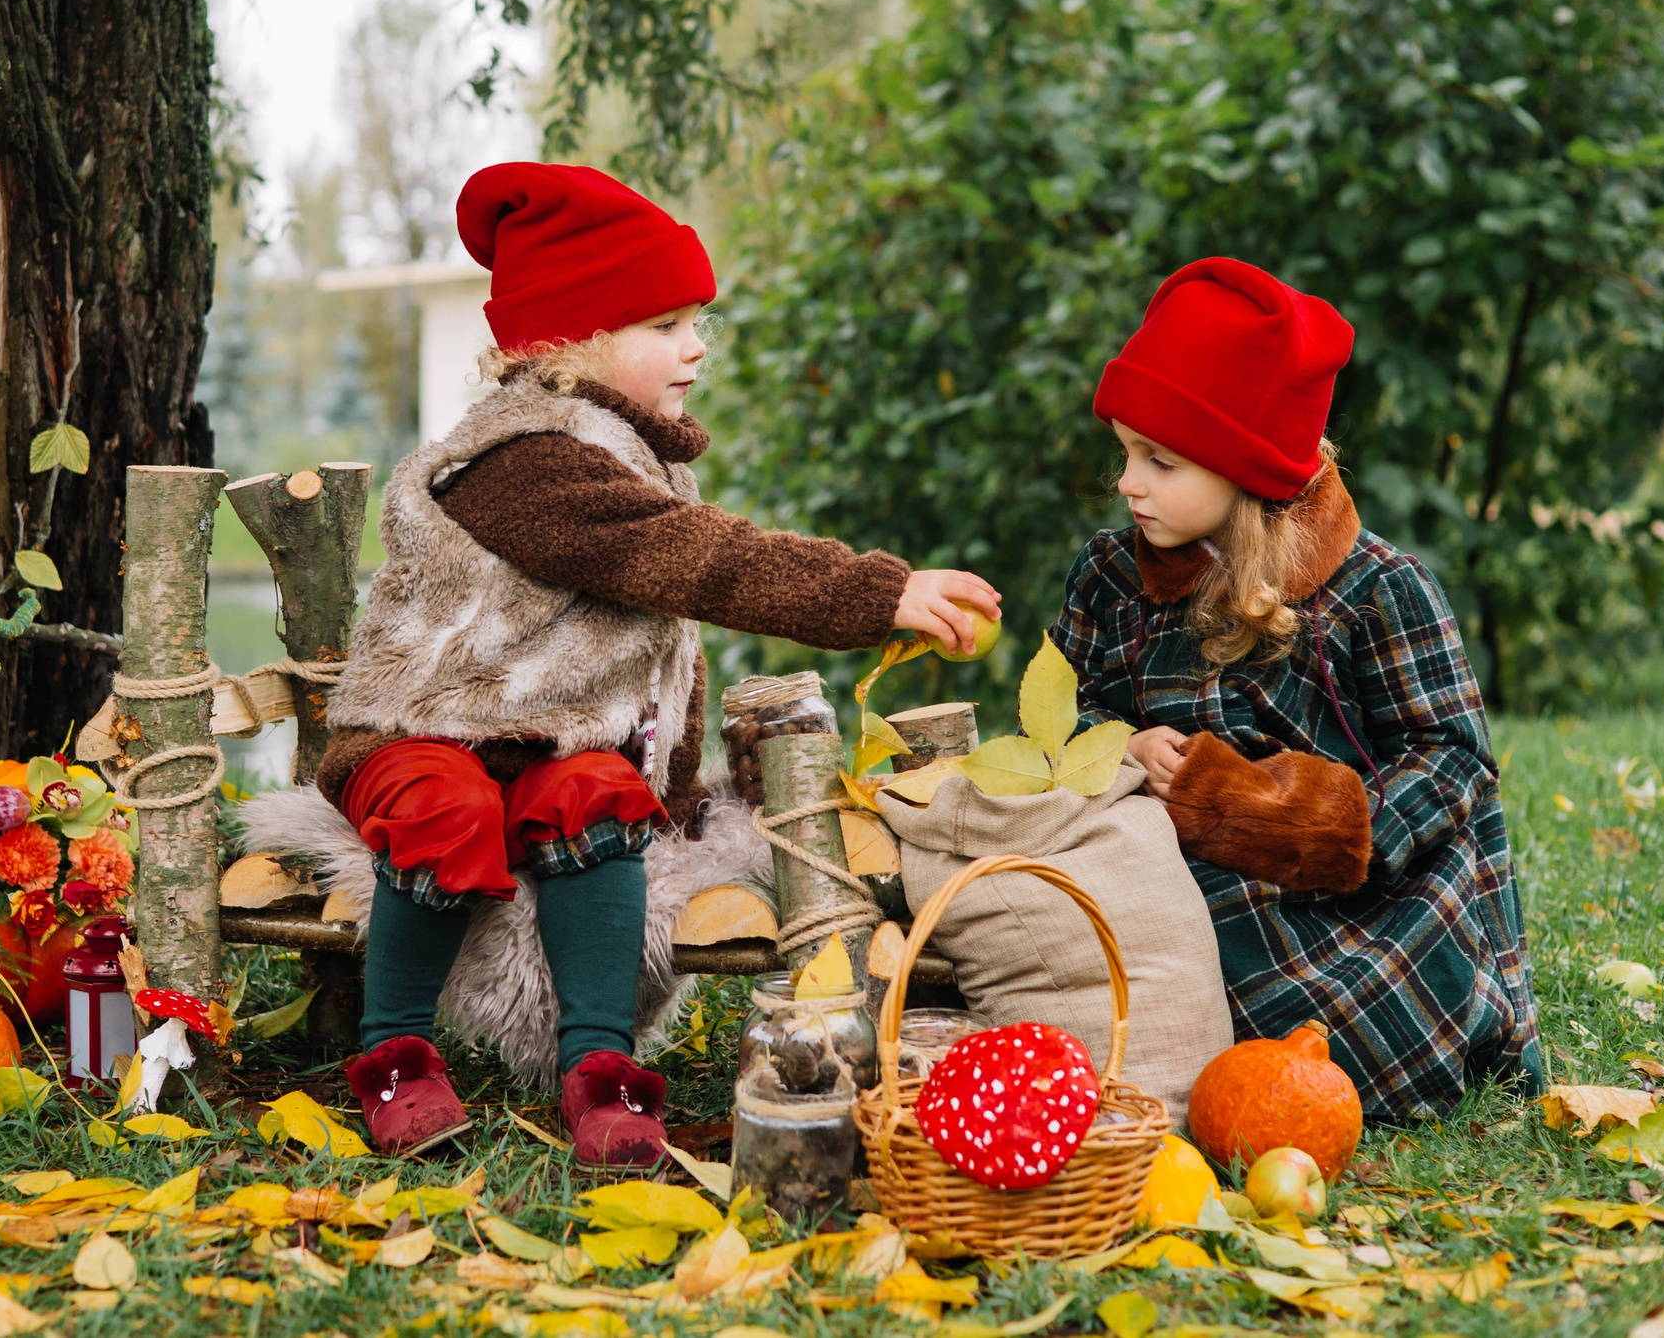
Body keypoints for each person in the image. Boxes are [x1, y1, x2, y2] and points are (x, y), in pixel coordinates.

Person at [319, 162, 1000, 1163]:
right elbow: (702, 556)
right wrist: (876, 590)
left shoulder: (621, 450)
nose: (696, 346)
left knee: (600, 797)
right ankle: (395, 1051)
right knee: (446, 806)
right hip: (429, 727)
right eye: (666, 324)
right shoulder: (529, 458)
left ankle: (595, 1066)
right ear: (574, 343)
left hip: (550, 736)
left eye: (695, 322)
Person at [1049, 257, 1542, 1119]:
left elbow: (1455, 761)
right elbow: (1063, 710)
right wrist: (1115, 744)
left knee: (1344, 1033)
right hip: (1176, 871)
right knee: (1089, 934)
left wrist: (1308, 820)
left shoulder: (1375, 590)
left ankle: (1260, 1048)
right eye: (1125, 453)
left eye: (1160, 461)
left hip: (1351, 891)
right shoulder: (1110, 577)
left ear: (1245, 467)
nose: (1129, 482)